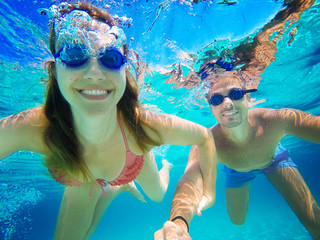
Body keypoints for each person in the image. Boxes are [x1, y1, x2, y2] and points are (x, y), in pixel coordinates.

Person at [0, 2, 217, 239]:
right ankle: (114, 188)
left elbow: (204, 137)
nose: (94, 72)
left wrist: (210, 192)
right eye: (74, 55)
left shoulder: (141, 127)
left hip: (130, 157)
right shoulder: (37, 126)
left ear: (124, 69)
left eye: (110, 58)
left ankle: (149, 172)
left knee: (157, 194)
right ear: (54, 69)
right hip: (80, 174)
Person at [154, 72, 320, 239]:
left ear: (248, 99)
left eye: (236, 94)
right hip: (237, 169)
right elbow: (190, 181)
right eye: (217, 99)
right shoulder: (207, 143)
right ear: (211, 108)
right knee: (237, 220)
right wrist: (179, 223)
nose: (227, 103)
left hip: (272, 158)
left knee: (315, 223)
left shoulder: (275, 120)